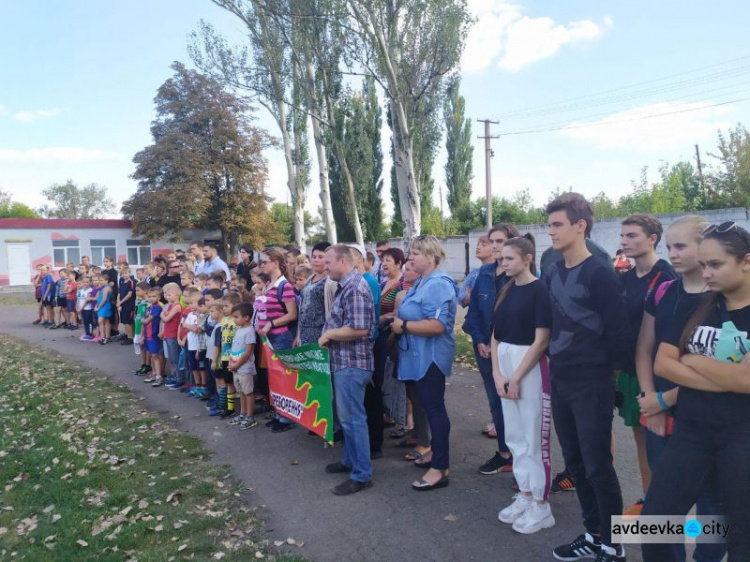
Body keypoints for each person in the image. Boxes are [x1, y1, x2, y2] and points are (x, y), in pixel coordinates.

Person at [643, 221, 750, 561]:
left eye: (715, 265)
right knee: (655, 523)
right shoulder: (697, 305)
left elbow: (747, 382)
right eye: (703, 265)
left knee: (739, 535)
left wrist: (692, 360)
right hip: (691, 431)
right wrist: (729, 376)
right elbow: (662, 364)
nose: (706, 273)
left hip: (742, 436)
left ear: (746, 261)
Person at [544, 193, 631, 562]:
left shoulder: (600, 273)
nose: (551, 232)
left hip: (592, 382)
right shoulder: (552, 270)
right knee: (576, 463)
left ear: (580, 226)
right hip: (560, 379)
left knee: (598, 464)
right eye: (549, 225)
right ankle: (594, 533)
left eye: (557, 224)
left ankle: (614, 544)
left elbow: (619, 333)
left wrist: (607, 379)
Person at [491, 235, 555, 535]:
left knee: (533, 437)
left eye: (509, 258)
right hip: (505, 363)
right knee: (515, 436)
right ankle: (525, 495)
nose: (503, 263)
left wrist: (516, 376)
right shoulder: (505, 289)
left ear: (527, 258)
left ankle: (542, 506)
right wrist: (497, 374)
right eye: (501, 259)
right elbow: (496, 334)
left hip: (528, 366)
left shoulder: (540, 290)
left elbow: (541, 340)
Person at [617, 214, 677, 516]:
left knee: (661, 446)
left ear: (652, 238)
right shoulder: (624, 278)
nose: (624, 241)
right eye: (623, 236)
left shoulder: (667, 278)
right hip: (630, 372)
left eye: (631, 236)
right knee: (641, 440)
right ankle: (648, 500)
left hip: (658, 376)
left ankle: (662, 512)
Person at [392, 235, 458, 492]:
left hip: (430, 359)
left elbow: (438, 325)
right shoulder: (422, 281)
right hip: (417, 358)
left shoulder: (438, 284)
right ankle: (433, 454)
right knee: (428, 408)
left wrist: (404, 325)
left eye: (415, 254)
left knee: (434, 410)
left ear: (431, 257)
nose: (410, 259)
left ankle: (440, 468)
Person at [463, 224, 519, 475]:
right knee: (496, 402)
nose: (495, 246)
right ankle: (504, 453)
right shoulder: (483, 274)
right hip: (485, 351)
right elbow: (473, 313)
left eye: (500, 241)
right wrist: (479, 340)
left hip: (514, 352)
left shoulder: (521, 274)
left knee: (518, 403)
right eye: (492, 241)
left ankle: (522, 457)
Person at [320, 245, 376, 496]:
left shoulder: (355, 288)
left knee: (353, 420)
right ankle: (350, 461)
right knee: (347, 419)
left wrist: (330, 333)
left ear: (343, 261)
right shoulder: (348, 286)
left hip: (352, 365)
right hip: (343, 362)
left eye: (328, 262)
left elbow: (360, 328)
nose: (325, 266)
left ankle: (362, 475)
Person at [255, 248, 298, 432]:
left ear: (275, 263)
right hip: (269, 337)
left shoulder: (284, 285)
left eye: (264, 262)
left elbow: (292, 314)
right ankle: (279, 413)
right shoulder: (268, 284)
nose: (261, 265)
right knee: (274, 376)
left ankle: (286, 418)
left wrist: (270, 323)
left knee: (283, 377)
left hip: (281, 336)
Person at [348, 243, 383, 458]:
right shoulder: (356, 281)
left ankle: (374, 442)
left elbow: (367, 320)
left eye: (349, 257)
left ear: (360, 259)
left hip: (370, 343)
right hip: (362, 344)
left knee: (371, 394)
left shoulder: (368, 282)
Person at [228, 302, 258, 430]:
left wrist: (237, 365)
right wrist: (231, 363)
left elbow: (248, 351)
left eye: (236, 317)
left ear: (246, 317)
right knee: (241, 392)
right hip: (236, 367)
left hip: (245, 368)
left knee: (248, 392)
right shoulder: (239, 330)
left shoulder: (250, 331)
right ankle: (243, 414)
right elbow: (235, 349)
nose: (234, 320)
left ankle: (250, 417)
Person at [296, 242, 331, 346]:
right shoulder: (309, 279)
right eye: (314, 256)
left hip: (321, 335)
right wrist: (298, 334)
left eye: (320, 257)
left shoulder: (331, 281)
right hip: (304, 334)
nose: (316, 260)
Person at [458, 235, 493, 307]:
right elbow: (461, 298)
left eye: (484, 245)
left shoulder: (499, 272)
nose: (478, 247)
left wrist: (473, 295)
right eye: (478, 244)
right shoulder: (474, 273)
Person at [160, 283, 183, 388]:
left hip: (173, 335)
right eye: (165, 294)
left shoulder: (177, 307)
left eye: (169, 294)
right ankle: (174, 376)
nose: (166, 296)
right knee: (171, 358)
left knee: (175, 358)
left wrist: (162, 315)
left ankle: (179, 379)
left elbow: (166, 319)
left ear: (177, 295)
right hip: (168, 334)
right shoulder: (170, 305)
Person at [142, 287, 165, 387]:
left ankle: (159, 376)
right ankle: (154, 373)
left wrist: (142, 319)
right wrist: (142, 336)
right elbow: (144, 324)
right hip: (147, 335)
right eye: (149, 296)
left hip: (154, 335)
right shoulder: (149, 308)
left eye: (154, 296)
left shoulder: (157, 308)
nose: (151, 298)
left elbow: (146, 321)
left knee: (155, 355)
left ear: (159, 297)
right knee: (152, 355)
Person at [133, 282, 152, 375]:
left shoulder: (148, 304)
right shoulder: (140, 302)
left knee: (146, 347)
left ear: (145, 291)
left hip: (144, 330)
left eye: (138, 290)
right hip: (138, 328)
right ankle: (143, 364)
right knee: (141, 347)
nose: (136, 292)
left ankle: (148, 365)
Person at [117, 267, 137, 345]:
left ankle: (130, 338)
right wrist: (118, 302)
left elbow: (129, 295)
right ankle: (129, 335)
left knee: (127, 322)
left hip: (129, 304)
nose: (124, 275)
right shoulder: (121, 281)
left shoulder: (132, 282)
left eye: (126, 273)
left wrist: (121, 302)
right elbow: (119, 293)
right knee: (124, 321)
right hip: (122, 304)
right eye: (123, 274)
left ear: (129, 273)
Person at [94, 274, 114, 345]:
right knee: (106, 321)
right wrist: (97, 305)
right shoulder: (103, 288)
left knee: (100, 321)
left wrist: (98, 307)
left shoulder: (106, 288)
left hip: (104, 306)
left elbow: (104, 299)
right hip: (102, 306)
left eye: (102, 280)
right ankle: (106, 337)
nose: (100, 282)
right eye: (99, 280)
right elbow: (99, 298)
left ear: (106, 280)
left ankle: (103, 337)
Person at [77, 276, 95, 341]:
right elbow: (78, 300)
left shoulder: (90, 290)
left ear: (90, 283)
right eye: (84, 282)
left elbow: (87, 300)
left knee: (89, 321)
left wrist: (81, 308)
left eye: (87, 282)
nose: (85, 283)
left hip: (88, 309)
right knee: (84, 321)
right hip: (81, 309)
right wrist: (78, 307)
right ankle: (87, 333)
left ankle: (90, 334)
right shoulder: (80, 290)